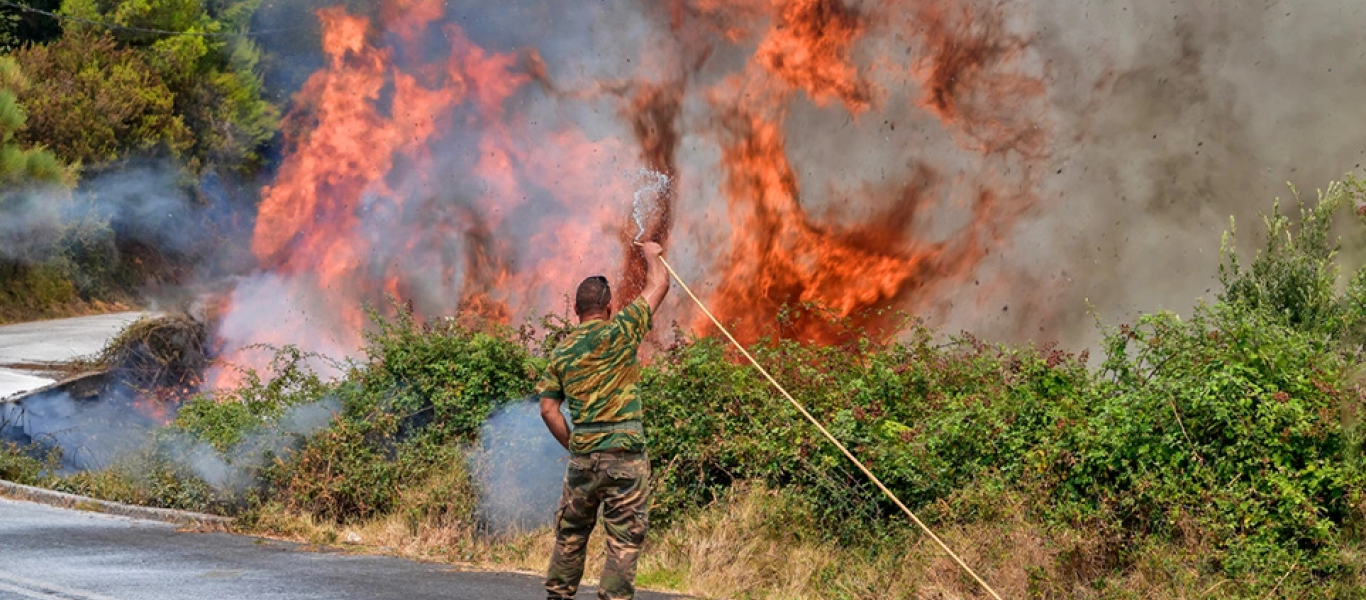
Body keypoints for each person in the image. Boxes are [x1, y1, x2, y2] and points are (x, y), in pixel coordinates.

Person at [538, 241, 670, 600]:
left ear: (576, 310)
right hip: (625, 456)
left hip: (583, 456)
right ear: (609, 308)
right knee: (623, 540)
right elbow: (658, 286)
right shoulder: (620, 330)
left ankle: (558, 596)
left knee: (571, 533)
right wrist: (652, 255)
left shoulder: (562, 352)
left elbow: (548, 409)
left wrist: (577, 444)